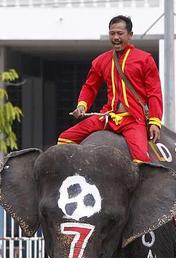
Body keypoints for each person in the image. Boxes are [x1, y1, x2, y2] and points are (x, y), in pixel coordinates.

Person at [58, 15, 163, 163]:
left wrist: (155, 122)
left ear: (130, 35)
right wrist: (82, 105)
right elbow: (90, 87)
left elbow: (154, 92)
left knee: (141, 160)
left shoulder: (145, 59)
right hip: (108, 116)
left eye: (120, 33)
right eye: (112, 33)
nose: (115, 37)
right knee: (65, 138)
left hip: (133, 119)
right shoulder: (101, 60)